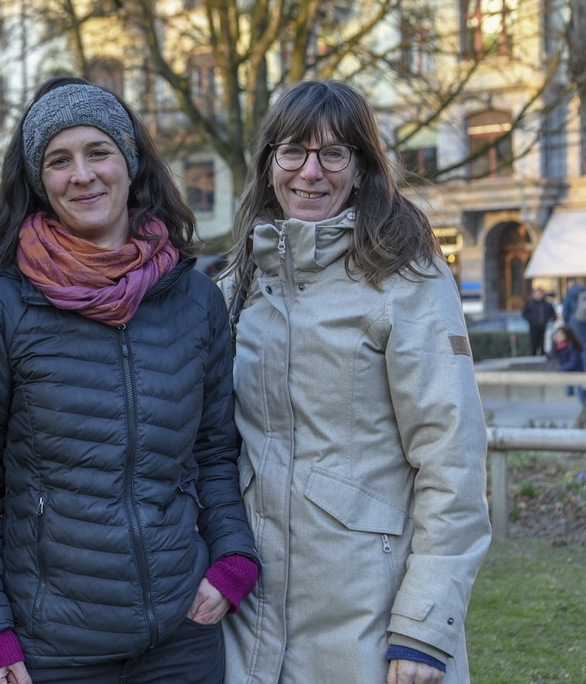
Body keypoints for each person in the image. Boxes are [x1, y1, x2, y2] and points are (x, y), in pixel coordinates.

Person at [0, 77, 260, 684]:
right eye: (59, 160)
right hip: (52, 644)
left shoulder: (193, 300)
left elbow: (217, 451)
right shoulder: (1, 309)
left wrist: (232, 558)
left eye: (98, 152)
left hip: (181, 631)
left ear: (130, 161)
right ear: (40, 182)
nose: (83, 174)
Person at [220, 80, 491, 684]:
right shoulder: (240, 282)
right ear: (269, 166)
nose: (310, 172)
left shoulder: (405, 278)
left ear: (362, 170)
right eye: (292, 151)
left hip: (369, 619)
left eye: (333, 154)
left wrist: (423, 628)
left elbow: (452, 458)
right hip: (252, 621)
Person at [548, 325, 586, 404]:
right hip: (567, 374)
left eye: (561, 334)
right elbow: (552, 355)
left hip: (576, 374)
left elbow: (573, 362)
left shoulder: (572, 347)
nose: (558, 336)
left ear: (567, 335)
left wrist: (560, 369)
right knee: (568, 392)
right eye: (557, 334)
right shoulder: (558, 347)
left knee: (579, 391)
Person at [522, 287, 556, 356]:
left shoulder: (547, 305)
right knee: (534, 342)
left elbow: (553, 315)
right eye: (537, 294)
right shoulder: (530, 304)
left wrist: (549, 320)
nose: (539, 296)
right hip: (533, 326)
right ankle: (533, 355)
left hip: (544, 326)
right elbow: (524, 314)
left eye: (540, 294)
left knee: (543, 342)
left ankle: (543, 355)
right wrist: (531, 320)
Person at [562, 278, 586, 345]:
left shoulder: (569, 294)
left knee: (574, 343)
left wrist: (566, 322)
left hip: (573, 321)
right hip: (584, 320)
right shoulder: (584, 292)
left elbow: (565, 311)